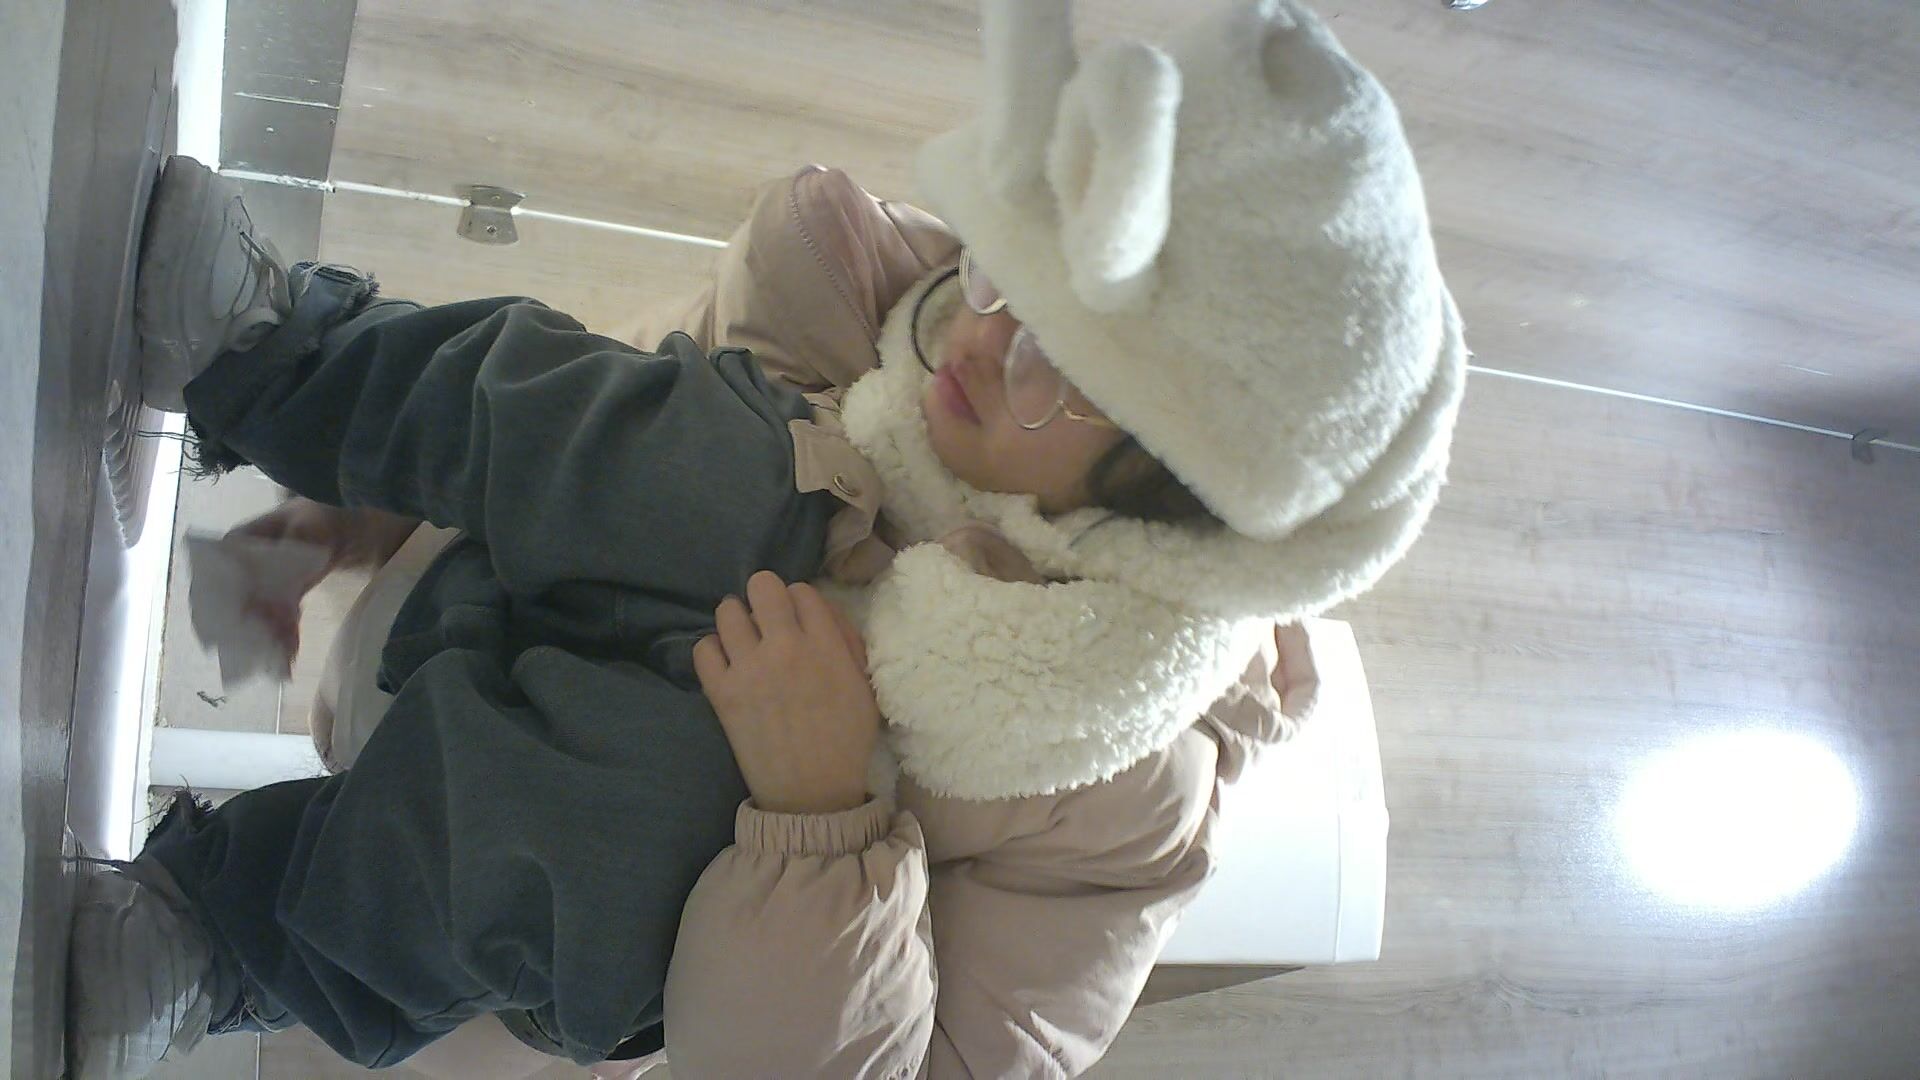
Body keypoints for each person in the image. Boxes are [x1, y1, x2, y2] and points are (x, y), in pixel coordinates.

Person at [65, 1, 1467, 1076]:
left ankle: (224, 939)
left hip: (533, 867)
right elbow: (664, 353)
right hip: (457, 602)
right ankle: (273, 354)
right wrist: (360, 514)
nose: (981, 339)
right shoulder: (900, 307)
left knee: (693, 768)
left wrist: (819, 815)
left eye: (1059, 366)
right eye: (1010, 278)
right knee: (735, 466)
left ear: (1163, 515)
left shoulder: (1121, 804)